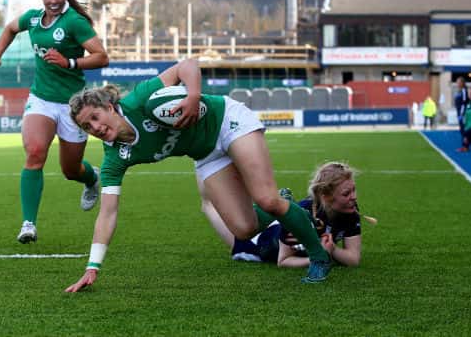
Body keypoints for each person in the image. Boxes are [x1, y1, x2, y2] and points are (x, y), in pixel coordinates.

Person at [64, 59, 333, 292]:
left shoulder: (140, 100)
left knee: (266, 199)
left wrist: (192, 96)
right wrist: (93, 267)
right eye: (87, 126)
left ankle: (319, 257)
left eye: (96, 117)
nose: (95, 127)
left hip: (227, 122)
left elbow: (187, 65)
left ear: (110, 107)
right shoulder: (113, 158)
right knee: (244, 228)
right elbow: (107, 213)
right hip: (206, 153)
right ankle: (284, 205)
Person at [0, 0, 109, 244]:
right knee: (35, 152)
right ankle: (28, 224)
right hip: (41, 98)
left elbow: (102, 57)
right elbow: (10, 29)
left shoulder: (74, 22)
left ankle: (90, 178)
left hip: (74, 105)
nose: (53, 0)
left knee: (70, 170)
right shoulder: (33, 18)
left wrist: (69, 62)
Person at [204, 162, 377, 269]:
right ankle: (204, 163)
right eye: (346, 193)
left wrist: (333, 251)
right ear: (325, 197)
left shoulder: (350, 210)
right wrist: (317, 257)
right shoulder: (301, 212)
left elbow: (353, 259)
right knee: (209, 205)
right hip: (255, 243)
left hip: (274, 226)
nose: (353, 197)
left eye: (353, 190)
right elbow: (284, 261)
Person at [454, 77, 469, 151]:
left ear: (462, 83)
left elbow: (464, 103)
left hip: (463, 114)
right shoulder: (459, 91)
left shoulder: (464, 91)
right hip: (459, 113)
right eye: (457, 82)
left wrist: (461, 114)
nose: (457, 84)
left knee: (464, 130)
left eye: (459, 82)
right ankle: (465, 145)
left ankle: (465, 146)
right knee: (462, 130)